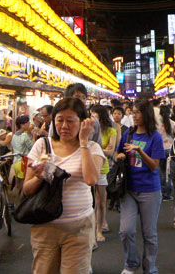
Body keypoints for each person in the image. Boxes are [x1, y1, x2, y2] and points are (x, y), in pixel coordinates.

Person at [24, 97, 105, 274]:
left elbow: (91, 179)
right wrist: (40, 176)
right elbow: (27, 189)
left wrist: (83, 143)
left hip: (79, 226)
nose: (64, 126)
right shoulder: (42, 145)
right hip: (45, 224)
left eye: (70, 121)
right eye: (60, 120)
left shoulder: (92, 148)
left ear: (83, 123)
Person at [115, 99, 166, 274]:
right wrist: (119, 156)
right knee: (126, 230)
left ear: (147, 114)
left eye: (138, 112)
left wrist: (139, 151)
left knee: (149, 234)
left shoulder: (155, 137)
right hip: (129, 188)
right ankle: (131, 263)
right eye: (133, 112)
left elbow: (154, 166)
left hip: (150, 190)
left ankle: (150, 268)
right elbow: (117, 151)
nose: (134, 116)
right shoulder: (128, 134)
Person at [91, 105, 117, 242]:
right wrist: (102, 148)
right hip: (88, 166)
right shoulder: (88, 129)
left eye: (94, 115)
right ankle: (90, 228)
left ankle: (98, 229)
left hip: (101, 167)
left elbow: (110, 152)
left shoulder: (110, 131)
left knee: (101, 200)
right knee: (89, 201)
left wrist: (94, 147)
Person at [157, 105, 175, 201]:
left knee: (161, 171)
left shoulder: (156, 125)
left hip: (159, 150)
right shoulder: (172, 123)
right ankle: (168, 193)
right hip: (170, 150)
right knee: (168, 172)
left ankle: (161, 192)